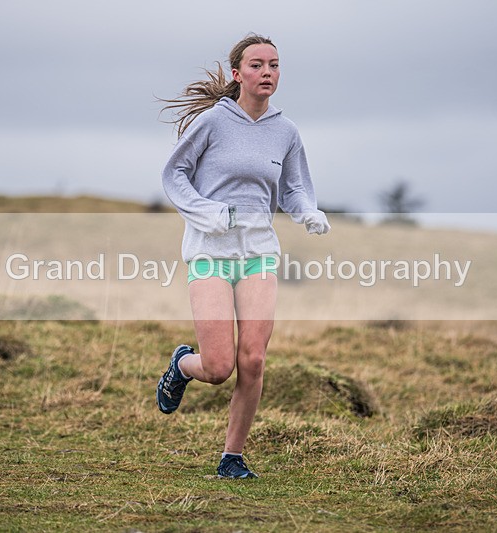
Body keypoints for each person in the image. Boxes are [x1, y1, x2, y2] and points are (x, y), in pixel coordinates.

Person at [156, 33, 330, 479]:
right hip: (210, 252)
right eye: (256, 65)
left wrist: (307, 211)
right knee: (218, 367)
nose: (267, 72)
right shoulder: (213, 123)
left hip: (259, 254)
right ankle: (182, 364)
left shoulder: (286, 131)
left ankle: (232, 457)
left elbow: (292, 188)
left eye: (274, 65)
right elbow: (174, 174)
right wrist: (208, 212)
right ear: (237, 74)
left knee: (253, 359)